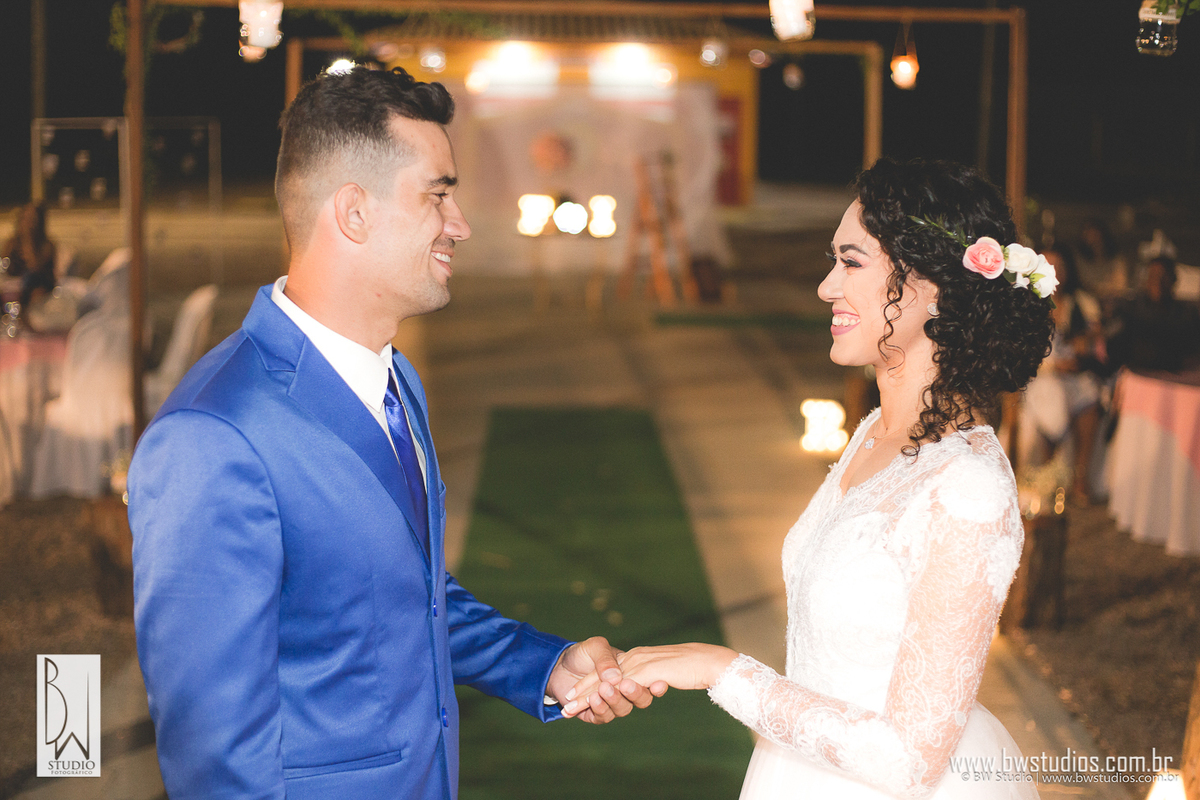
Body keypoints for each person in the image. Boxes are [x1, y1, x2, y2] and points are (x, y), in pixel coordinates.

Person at [128, 67, 656, 800]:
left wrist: (540, 665)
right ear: (353, 212)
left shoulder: (396, 380)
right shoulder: (213, 436)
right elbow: (214, 758)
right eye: (437, 195)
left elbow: (405, 598)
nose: (459, 223)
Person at [568, 159, 1055, 799]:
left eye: (851, 263)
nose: (827, 287)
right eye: (834, 262)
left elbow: (909, 761)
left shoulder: (967, 487)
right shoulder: (874, 432)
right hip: (803, 767)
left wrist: (723, 671)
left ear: (931, 285)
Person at [1020, 245, 1106, 500]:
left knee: (1089, 396)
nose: (1054, 272)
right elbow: (1021, 353)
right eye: (1048, 266)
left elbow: (1096, 342)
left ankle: (1080, 477)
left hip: (1073, 374)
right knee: (1053, 397)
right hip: (1040, 375)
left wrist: (1086, 344)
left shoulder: (1081, 302)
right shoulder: (1027, 303)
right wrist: (1053, 366)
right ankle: (1049, 477)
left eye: (1059, 266)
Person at [1107, 256, 1200, 374]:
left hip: (1177, 376)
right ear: (1146, 280)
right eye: (1153, 276)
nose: (1158, 282)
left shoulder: (1187, 314)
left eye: (1163, 276)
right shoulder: (1129, 310)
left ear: (1174, 279)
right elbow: (1112, 341)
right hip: (1138, 376)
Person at [1, 202, 58, 313]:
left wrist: (28, 242)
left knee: (30, 279)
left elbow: (36, 269)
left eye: (32, 219)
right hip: (14, 285)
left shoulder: (46, 246)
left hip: (36, 286)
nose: (27, 223)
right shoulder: (11, 244)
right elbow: (5, 268)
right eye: (25, 218)